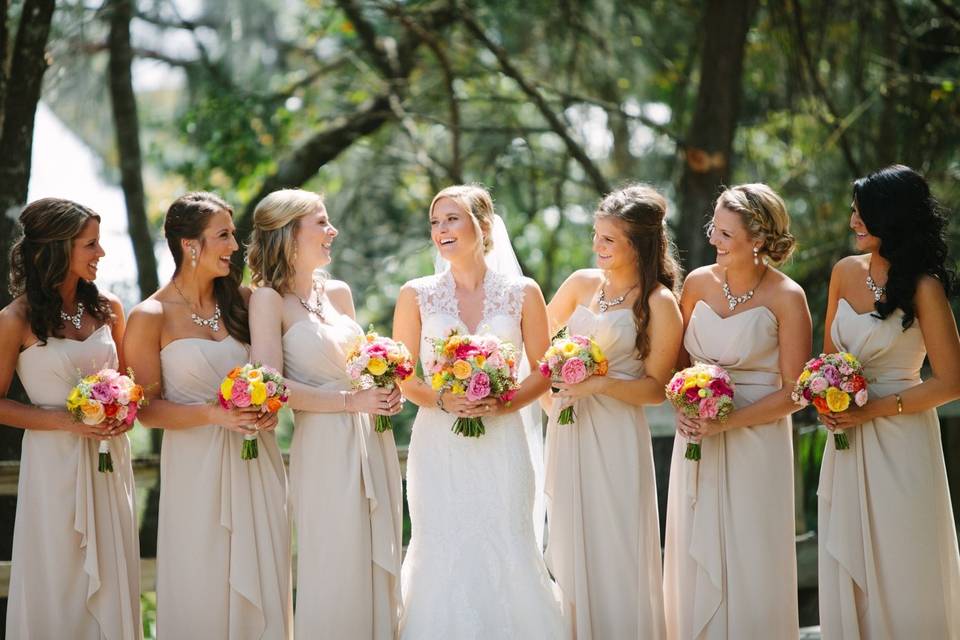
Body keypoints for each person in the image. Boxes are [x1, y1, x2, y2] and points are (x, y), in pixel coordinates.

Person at [393, 184, 567, 638]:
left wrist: (503, 400)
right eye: (435, 221)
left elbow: (545, 369)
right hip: (439, 444)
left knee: (506, 539)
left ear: (483, 226)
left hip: (503, 440)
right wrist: (445, 399)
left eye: (452, 218)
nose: (441, 230)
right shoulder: (416, 295)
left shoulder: (522, 292)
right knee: (440, 543)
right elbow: (405, 377)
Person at [123, 192, 292, 639]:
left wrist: (267, 408)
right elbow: (146, 411)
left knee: (264, 573)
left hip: (255, 461)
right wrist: (215, 416)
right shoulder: (149, 315)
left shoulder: (244, 301)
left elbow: (272, 374)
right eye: (224, 235)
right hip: (195, 470)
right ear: (189, 244)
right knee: (203, 582)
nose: (235, 246)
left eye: (233, 235)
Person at [247, 188, 403, 638]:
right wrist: (351, 402)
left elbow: (360, 366)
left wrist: (385, 389)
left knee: (379, 554)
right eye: (321, 222)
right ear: (289, 232)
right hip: (323, 447)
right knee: (336, 561)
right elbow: (270, 386)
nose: (331, 231)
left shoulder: (338, 292)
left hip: (372, 437)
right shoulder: (267, 299)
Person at [817, 165, 960, 637]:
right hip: (845, 441)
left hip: (901, 440)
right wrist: (826, 399)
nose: (854, 221)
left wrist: (870, 411)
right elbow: (826, 360)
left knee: (904, 560)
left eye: (863, 213)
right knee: (847, 556)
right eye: (854, 211)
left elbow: (951, 382)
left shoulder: (924, 287)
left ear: (890, 217)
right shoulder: (843, 271)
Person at [663, 183, 809, 639]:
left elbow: (795, 392)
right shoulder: (697, 283)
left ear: (758, 240)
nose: (713, 240)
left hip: (756, 439)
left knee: (751, 550)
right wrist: (682, 404)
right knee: (693, 547)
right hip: (697, 438)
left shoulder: (788, 297)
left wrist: (728, 421)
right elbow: (676, 363)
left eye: (726, 234)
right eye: (714, 228)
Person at [543, 185, 682, 639]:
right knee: (569, 539)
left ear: (637, 245)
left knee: (616, 541)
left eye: (608, 240)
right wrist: (551, 399)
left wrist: (598, 383)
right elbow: (536, 346)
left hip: (618, 430)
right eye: (596, 236)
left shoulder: (659, 303)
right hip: (569, 428)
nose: (597, 247)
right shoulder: (582, 284)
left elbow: (656, 389)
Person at [1, 198, 141, 639]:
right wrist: (69, 423)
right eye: (90, 244)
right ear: (57, 249)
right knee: (60, 576)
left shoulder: (110, 308)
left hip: (107, 461)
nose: (100, 254)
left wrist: (124, 411)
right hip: (53, 466)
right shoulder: (14, 319)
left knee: (112, 572)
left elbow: (131, 383)